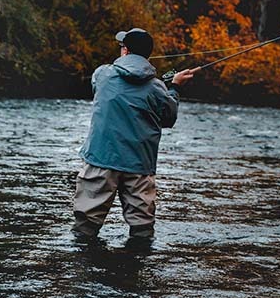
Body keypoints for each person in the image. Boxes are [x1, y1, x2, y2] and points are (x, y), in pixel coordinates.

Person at [72, 28, 198, 241]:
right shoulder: (157, 88)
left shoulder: (102, 74)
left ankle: (85, 269)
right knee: (142, 229)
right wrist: (175, 87)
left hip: (101, 160)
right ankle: (135, 269)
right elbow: (169, 117)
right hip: (139, 166)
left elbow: (104, 87)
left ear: (125, 50)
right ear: (148, 55)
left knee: (85, 226)